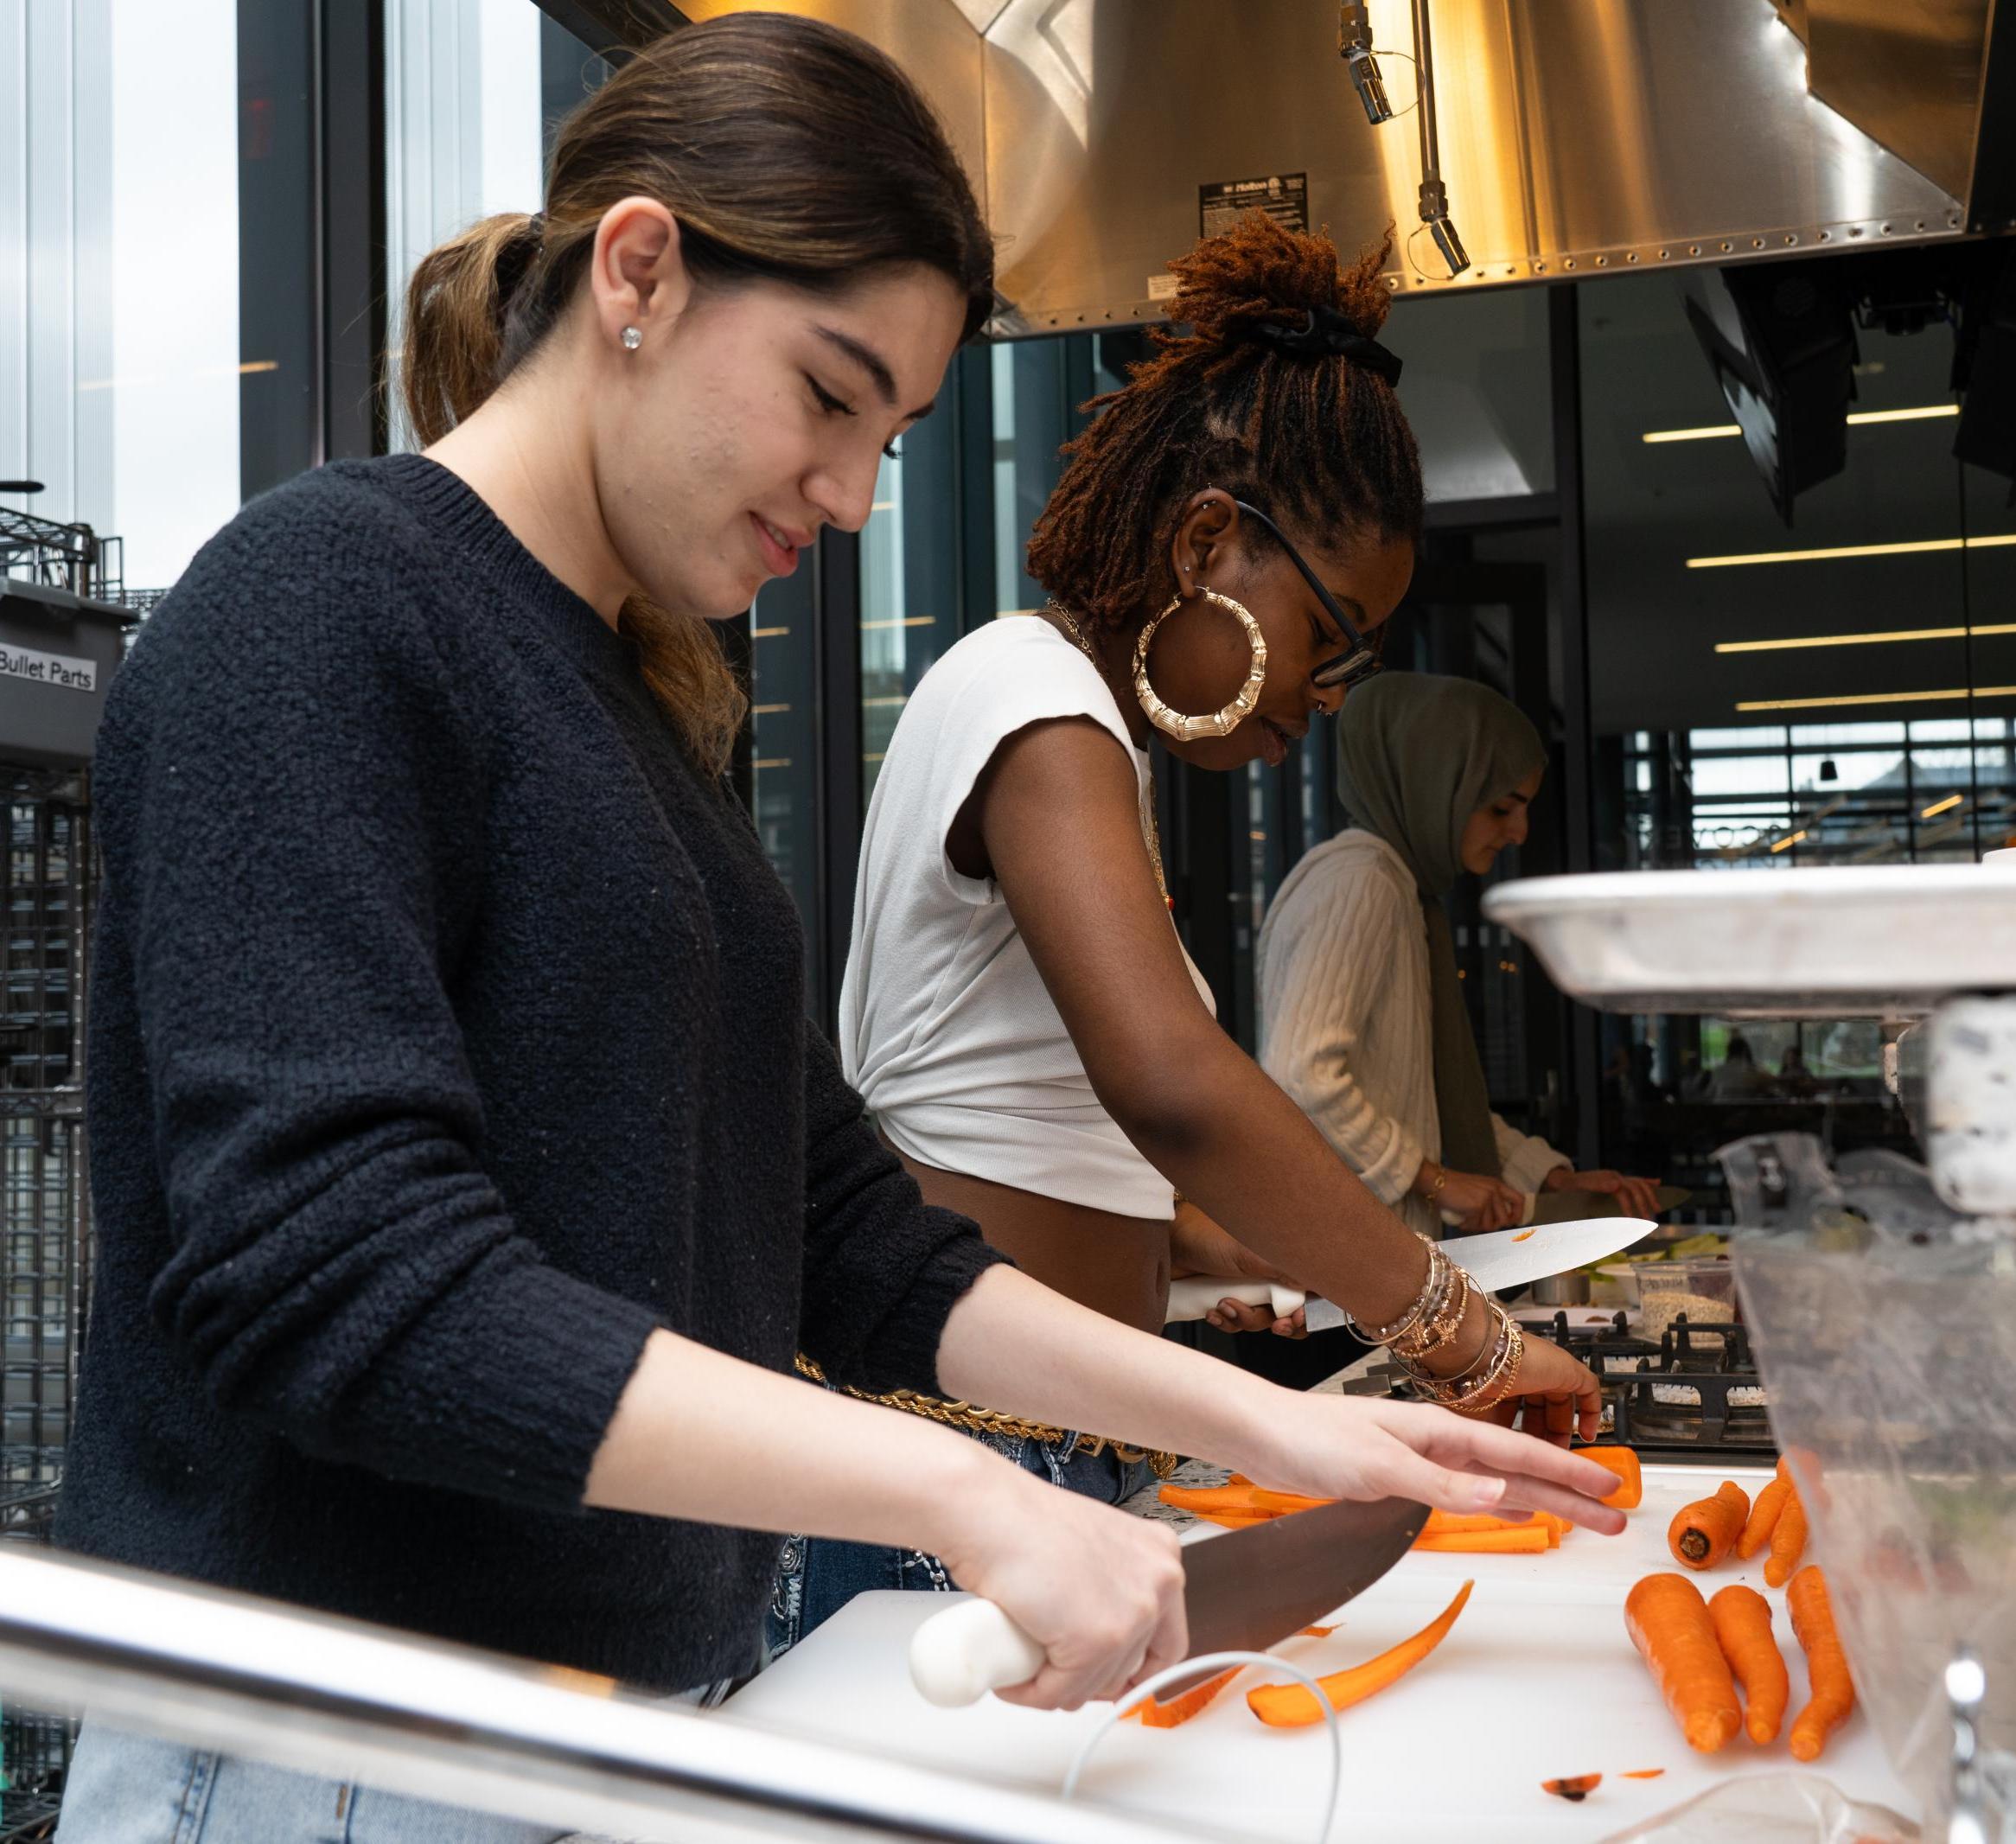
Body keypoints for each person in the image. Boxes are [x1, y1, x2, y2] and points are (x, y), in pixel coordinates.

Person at [51, 20, 1624, 1843]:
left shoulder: (648, 711)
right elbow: (338, 1284)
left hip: (628, 1719)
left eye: (892, 432)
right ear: (638, 269)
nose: (857, 494)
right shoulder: (316, 607)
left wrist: (1281, 1432)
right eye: (828, 392)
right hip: (343, 1747)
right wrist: (972, 1497)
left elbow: (858, 1243)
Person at [781, 215, 1611, 1651]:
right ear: (1209, 541)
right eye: (1331, 630)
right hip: (963, 1465)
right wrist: (1455, 1336)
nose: (1338, 686)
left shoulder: (1077, 728)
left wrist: (1207, 1260)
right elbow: (1165, 1080)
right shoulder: (1029, 694)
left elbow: (1043, 1130)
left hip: (1045, 1445)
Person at [1258, 673, 1662, 1243]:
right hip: (1343, 1274)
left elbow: (1425, 1098)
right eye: (1501, 808)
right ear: (1434, 783)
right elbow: (1300, 1076)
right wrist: (1432, 1178)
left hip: (1365, 1263)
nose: (1518, 832)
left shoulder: (1399, 887)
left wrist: (1550, 1176)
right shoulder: (1362, 882)